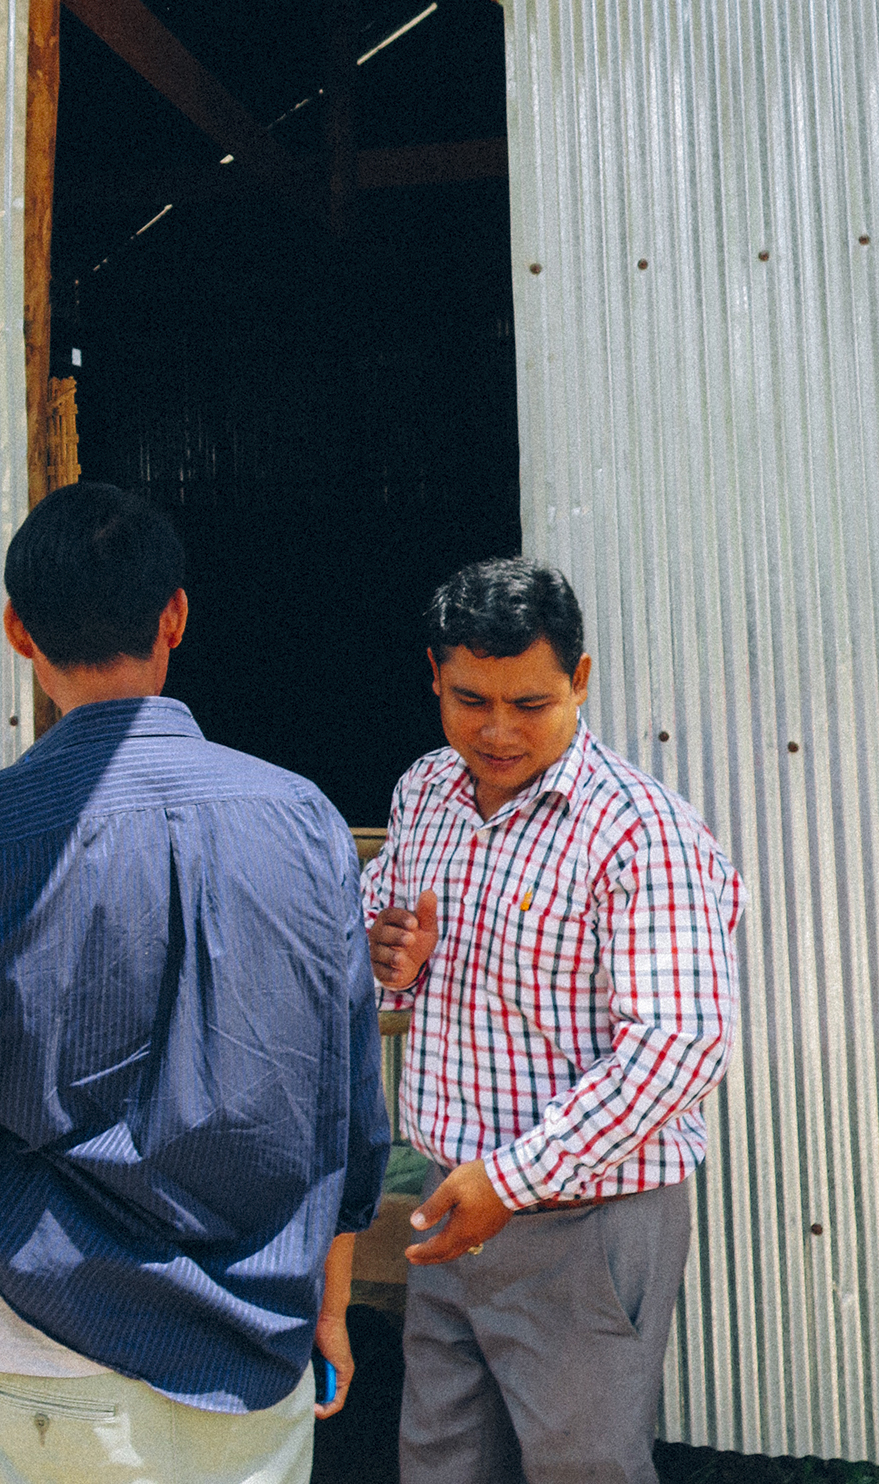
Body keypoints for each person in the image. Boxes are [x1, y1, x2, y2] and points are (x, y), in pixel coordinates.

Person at [0, 483, 388, 1484]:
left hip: (48, 1344)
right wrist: (331, 1306)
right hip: (259, 1350)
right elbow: (348, 1109)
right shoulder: (305, 819)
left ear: (16, 629)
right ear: (175, 614)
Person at [363, 556, 743, 1484]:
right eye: (469, 699)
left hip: (584, 1219)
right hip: (449, 1203)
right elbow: (385, 965)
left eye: (529, 703)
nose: (496, 730)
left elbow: (680, 1045)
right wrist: (388, 963)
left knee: (583, 1468)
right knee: (442, 1462)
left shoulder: (639, 830)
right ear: (434, 674)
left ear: (580, 678)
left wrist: (516, 1178)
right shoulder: (426, 793)